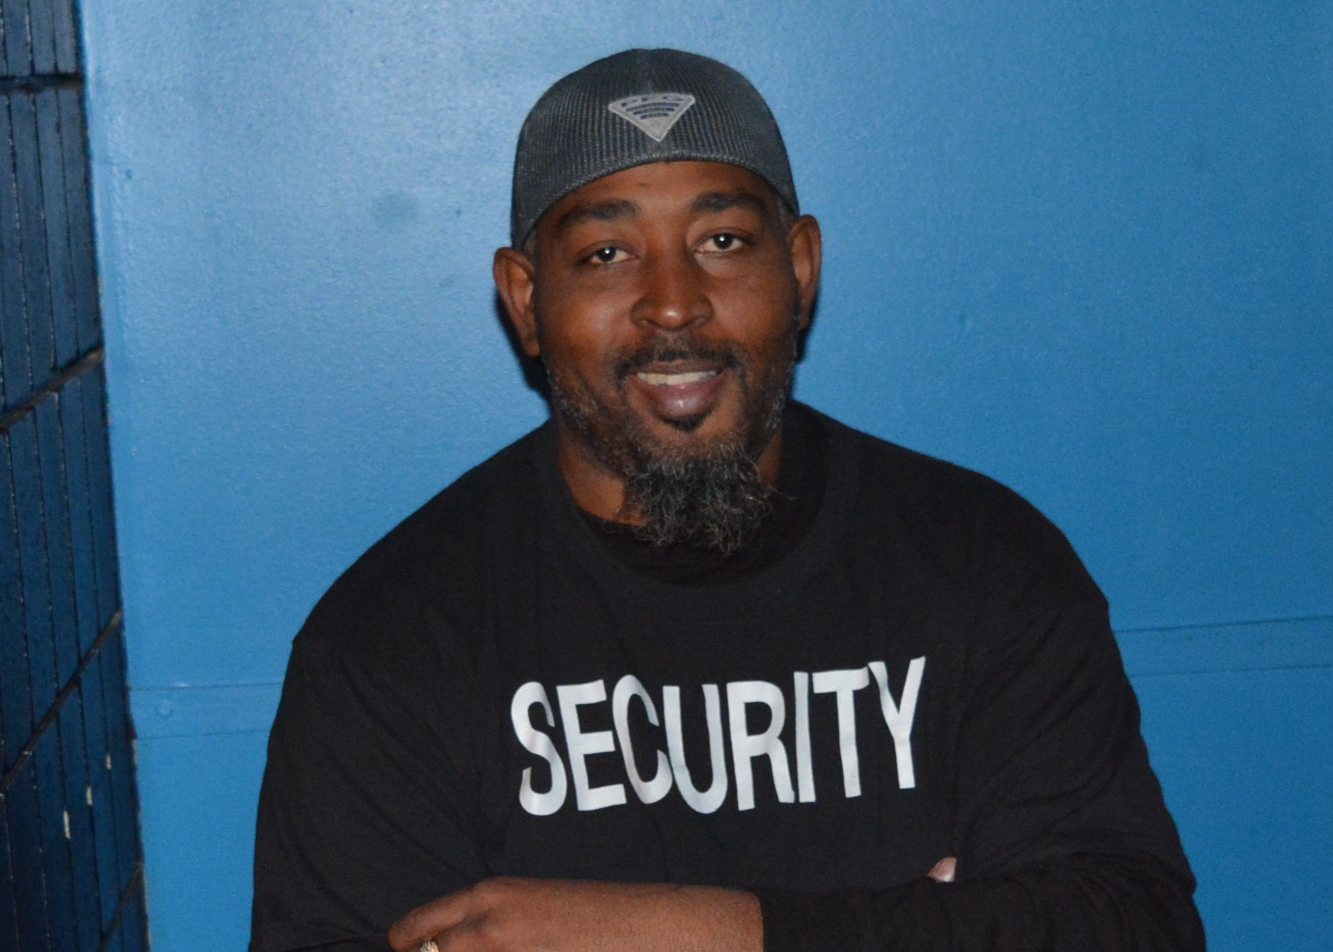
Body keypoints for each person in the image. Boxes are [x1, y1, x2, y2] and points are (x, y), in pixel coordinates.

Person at [251, 49, 1204, 952]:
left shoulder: (979, 559)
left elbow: (1128, 925)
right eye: (605, 253)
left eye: (721, 241)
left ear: (799, 268)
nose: (673, 304)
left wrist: (700, 933)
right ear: (525, 299)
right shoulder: (397, 633)